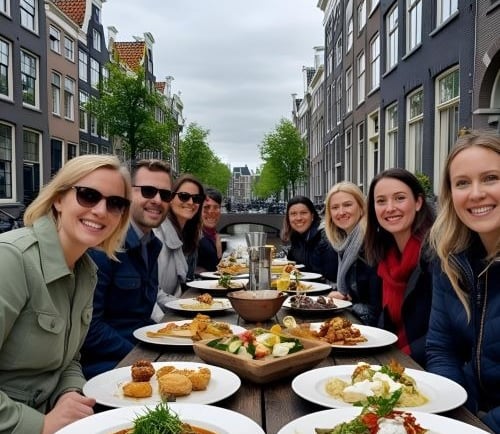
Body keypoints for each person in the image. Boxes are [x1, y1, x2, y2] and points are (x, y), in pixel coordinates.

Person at [0, 155, 131, 434]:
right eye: (87, 195)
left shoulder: (86, 272)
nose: (100, 210)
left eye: (115, 203)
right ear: (59, 199)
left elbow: (68, 357)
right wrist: (39, 424)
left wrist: (69, 392)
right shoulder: (10, 260)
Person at [426, 131, 500, 432]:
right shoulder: (450, 260)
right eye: (462, 183)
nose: (475, 193)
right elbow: (442, 348)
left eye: (491, 178)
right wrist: (455, 412)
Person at [80, 159, 172, 379]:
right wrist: (140, 355)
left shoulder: (151, 245)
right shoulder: (103, 245)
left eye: (165, 194)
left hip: (139, 355)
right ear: (128, 194)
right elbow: (90, 329)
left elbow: (140, 317)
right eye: (148, 191)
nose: (157, 200)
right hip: (107, 368)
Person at [364, 168, 434, 366]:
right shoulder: (383, 256)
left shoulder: (435, 256)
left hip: (421, 365)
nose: (390, 208)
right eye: (381, 201)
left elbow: (443, 333)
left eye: (399, 198)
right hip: (390, 357)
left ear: (418, 202)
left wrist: (395, 362)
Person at [323, 182, 381, 325]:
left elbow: (376, 307)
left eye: (347, 205)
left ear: (361, 208)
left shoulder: (371, 245)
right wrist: (341, 296)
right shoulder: (344, 245)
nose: (341, 212)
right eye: (335, 207)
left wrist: (347, 304)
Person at [154, 174, 205, 319]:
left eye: (197, 199)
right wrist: (190, 306)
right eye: (184, 196)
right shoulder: (158, 237)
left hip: (174, 310)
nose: (191, 202)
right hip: (163, 318)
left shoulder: (186, 235)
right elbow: (154, 293)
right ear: (170, 198)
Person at [281, 195, 337, 282]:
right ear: (288, 218)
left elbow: (333, 279)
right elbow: (295, 269)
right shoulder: (296, 238)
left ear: (312, 216)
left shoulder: (325, 240)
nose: (298, 218)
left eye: (303, 213)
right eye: (293, 214)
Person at [196, 187, 224, 273]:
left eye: (216, 207)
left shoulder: (214, 235)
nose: (211, 211)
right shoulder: (194, 236)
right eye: (206, 207)